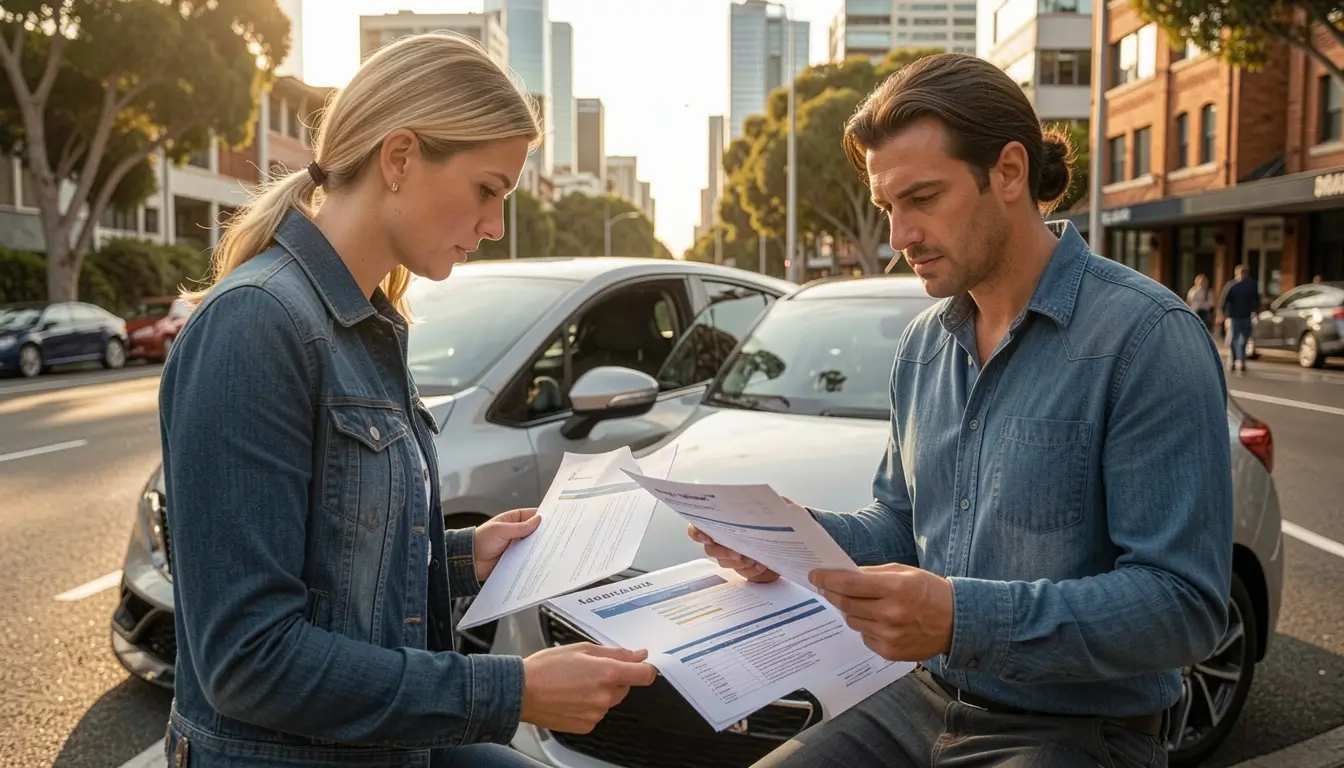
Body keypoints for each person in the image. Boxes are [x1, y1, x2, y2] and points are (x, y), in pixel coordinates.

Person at [691, 53, 1232, 768]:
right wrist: (794, 538)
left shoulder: (1145, 337)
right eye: (889, 208)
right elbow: (902, 525)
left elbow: (1183, 608)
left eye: (923, 198)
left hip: (1075, 733)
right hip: (916, 702)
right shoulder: (922, 344)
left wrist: (958, 617)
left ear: (1009, 172)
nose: (899, 236)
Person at [159, 33, 656, 768]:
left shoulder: (370, 324)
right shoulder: (257, 325)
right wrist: (510, 692)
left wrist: (462, 558)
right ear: (398, 158)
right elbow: (249, 661)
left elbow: (335, 563)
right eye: (487, 190)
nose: (493, 226)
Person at [1220, 265, 1260, 372]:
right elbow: (1224, 299)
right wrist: (1223, 313)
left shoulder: (1251, 285)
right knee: (1235, 340)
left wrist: (1256, 311)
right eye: (1240, 273)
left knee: (1244, 340)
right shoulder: (1232, 286)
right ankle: (1237, 362)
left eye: (1244, 273)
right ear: (1236, 274)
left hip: (1246, 316)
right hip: (1235, 317)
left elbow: (1256, 299)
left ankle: (1240, 361)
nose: (1242, 276)